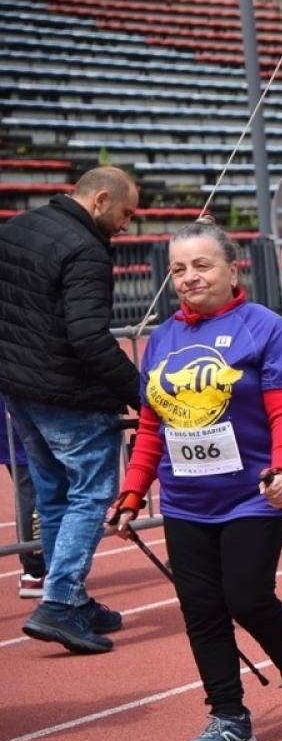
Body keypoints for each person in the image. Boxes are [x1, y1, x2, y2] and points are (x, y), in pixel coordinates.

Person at [107, 220, 282, 741]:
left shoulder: (265, 328)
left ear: (232, 268)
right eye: (178, 269)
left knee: (247, 597)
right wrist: (133, 492)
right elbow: (153, 427)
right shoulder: (163, 338)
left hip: (252, 493)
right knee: (201, 609)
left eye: (202, 265)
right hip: (185, 501)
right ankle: (228, 716)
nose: (188, 278)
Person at [0, 166, 141, 654]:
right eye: (126, 213)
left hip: (20, 393)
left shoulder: (17, 227)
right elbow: (88, 339)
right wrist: (139, 391)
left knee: (54, 493)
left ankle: (72, 598)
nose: (127, 225)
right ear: (100, 200)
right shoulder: (85, 249)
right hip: (69, 397)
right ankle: (59, 603)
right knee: (90, 494)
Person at [2, 393, 47, 597]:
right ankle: (35, 571)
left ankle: (39, 568)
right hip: (17, 420)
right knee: (32, 492)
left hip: (17, 416)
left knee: (35, 489)